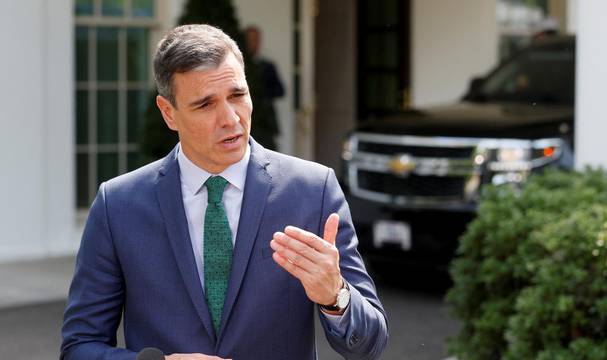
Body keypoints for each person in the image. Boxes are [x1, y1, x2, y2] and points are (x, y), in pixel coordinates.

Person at [60, 24, 388, 360]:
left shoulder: (312, 191)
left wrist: (336, 296)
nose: (230, 119)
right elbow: (79, 348)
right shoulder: (117, 205)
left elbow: (370, 344)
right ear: (168, 113)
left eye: (237, 95)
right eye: (205, 105)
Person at [243, 25, 284, 151]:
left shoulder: (267, 66)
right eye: (250, 39)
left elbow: (280, 91)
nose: (254, 43)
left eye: (256, 39)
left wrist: (263, 96)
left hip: (265, 123)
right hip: (247, 121)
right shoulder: (238, 66)